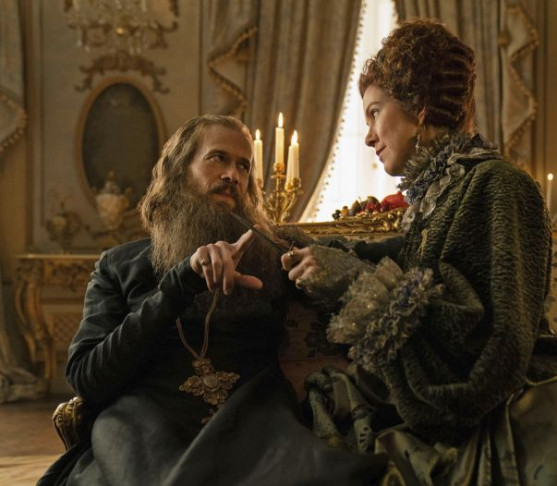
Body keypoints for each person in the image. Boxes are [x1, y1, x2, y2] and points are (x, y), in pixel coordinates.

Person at [281, 20, 557, 485]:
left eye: (375, 113)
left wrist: (356, 280)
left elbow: (499, 345)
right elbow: (390, 254)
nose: (368, 136)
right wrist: (295, 245)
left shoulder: (499, 185)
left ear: (419, 107)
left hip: (526, 408)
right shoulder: (438, 197)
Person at [39, 114, 386, 485]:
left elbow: (375, 254)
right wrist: (180, 283)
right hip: (145, 431)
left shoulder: (275, 252)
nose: (232, 175)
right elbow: (87, 377)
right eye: (218, 158)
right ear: (179, 170)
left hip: (253, 426)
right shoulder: (119, 265)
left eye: (243, 166)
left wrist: (329, 264)